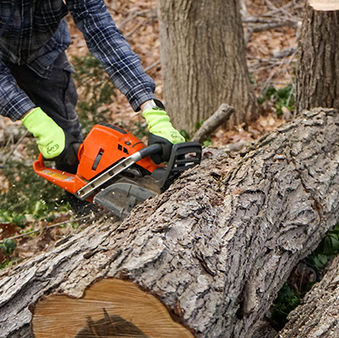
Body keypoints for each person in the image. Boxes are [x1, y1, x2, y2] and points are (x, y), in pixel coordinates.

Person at [0, 1, 185, 174]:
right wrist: (32, 118)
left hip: (45, 54)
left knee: (69, 143)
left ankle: (80, 201)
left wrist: (151, 107)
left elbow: (102, 32)